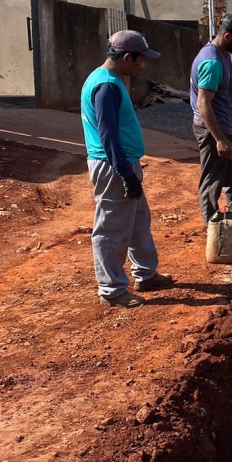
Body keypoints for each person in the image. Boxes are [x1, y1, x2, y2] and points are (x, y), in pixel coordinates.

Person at [80, 30, 174, 308]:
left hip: (122, 163)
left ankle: (145, 274)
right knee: (112, 227)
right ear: (127, 57)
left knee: (138, 221)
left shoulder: (107, 80)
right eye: (141, 60)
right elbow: (108, 134)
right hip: (113, 166)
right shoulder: (107, 85)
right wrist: (124, 173)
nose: (142, 66)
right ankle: (112, 290)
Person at [190, 14, 232, 226]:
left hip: (225, 125)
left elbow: (222, 94)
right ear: (227, 36)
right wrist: (219, 139)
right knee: (212, 180)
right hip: (212, 129)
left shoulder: (224, 54)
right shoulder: (212, 62)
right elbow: (203, 104)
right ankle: (214, 230)